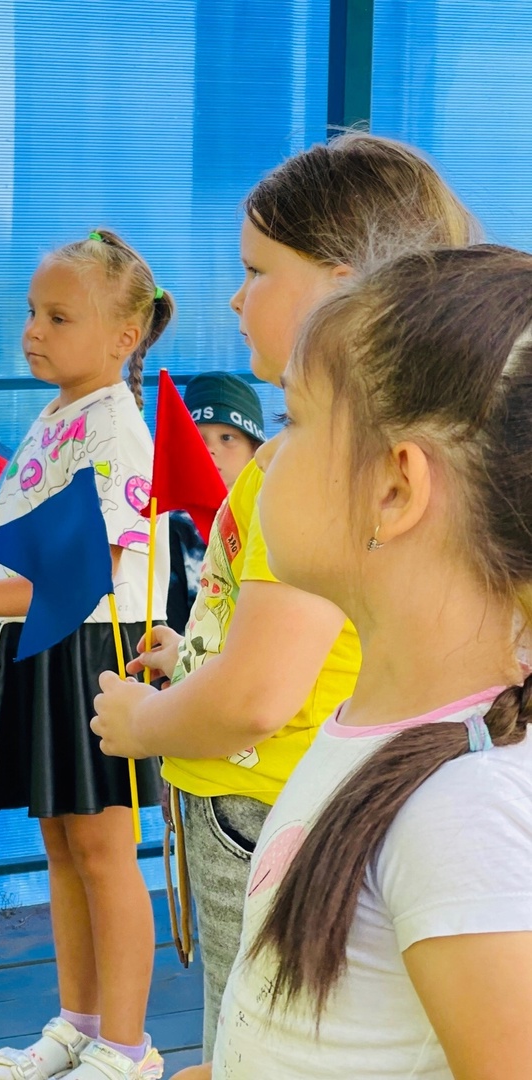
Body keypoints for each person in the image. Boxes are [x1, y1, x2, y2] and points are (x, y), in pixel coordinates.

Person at [90, 133, 481, 1061]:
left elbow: (261, 693)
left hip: (261, 809)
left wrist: (145, 723)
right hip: (282, 804)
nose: (235, 298)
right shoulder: (370, 460)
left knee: (252, 1037)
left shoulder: (315, 477)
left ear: (343, 292)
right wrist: (190, 656)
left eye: (256, 270)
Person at [205, 245, 532, 1078]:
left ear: (394, 488)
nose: (267, 457)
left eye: (291, 421)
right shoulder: (384, 734)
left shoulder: (464, 813)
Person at [0, 229, 174, 1080]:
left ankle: (128, 1047)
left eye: (58, 317)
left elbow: (87, 570)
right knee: (63, 848)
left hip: (93, 652)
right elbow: (24, 546)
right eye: (31, 313)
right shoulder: (58, 415)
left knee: (104, 852)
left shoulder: (117, 431)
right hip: (40, 644)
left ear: (124, 336)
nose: (33, 332)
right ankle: (79, 1025)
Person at [167, 372, 265, 635]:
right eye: (199, 438)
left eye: (227, 438)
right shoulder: (168, 526)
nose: (210, 449)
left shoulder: (273, 516)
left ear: (255, 450)